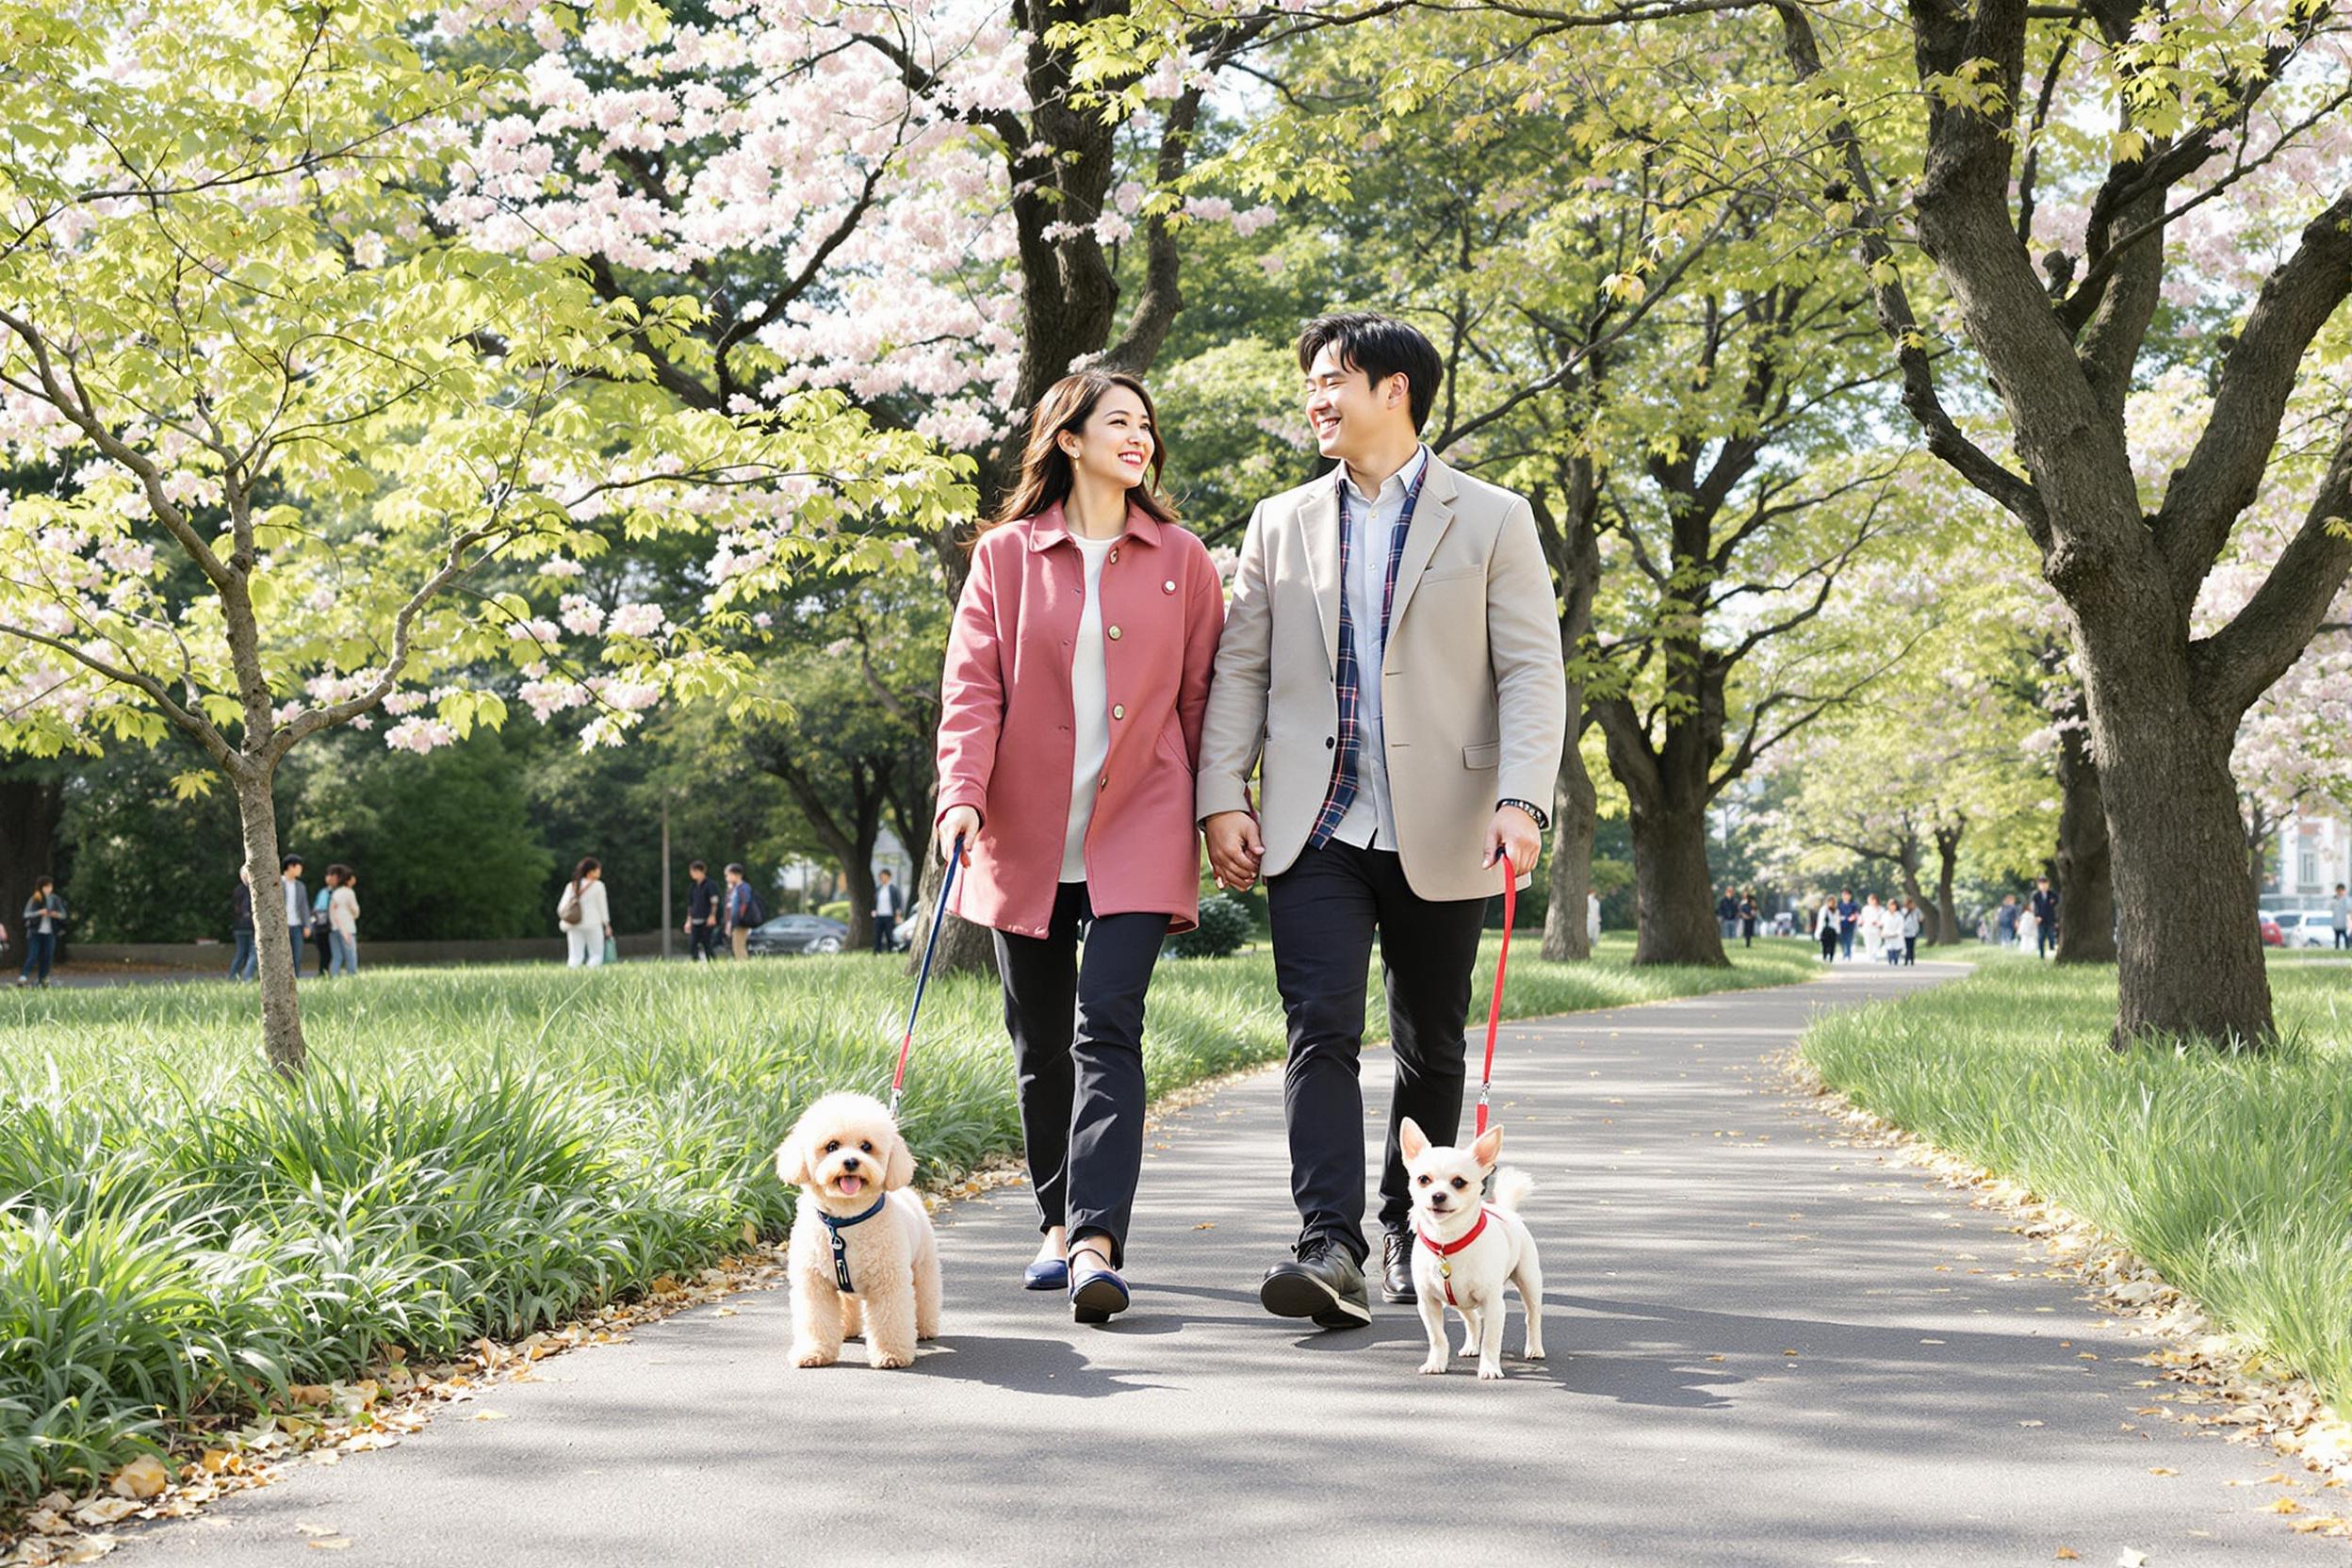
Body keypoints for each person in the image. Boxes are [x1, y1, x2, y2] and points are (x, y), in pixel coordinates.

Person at [1199, 311, 1568, 1329]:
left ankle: (1416, 1228)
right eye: (1311, 383)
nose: (1315, 400)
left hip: (1448, 821)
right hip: (1315, 825)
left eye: (1331, 381)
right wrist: (1222, 792)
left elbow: (1533, 667)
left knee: (1429, 1042)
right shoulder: (1280, 521)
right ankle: (1329, 1242)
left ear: (1393, 390)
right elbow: (1243, 668)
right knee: (1317, 1028)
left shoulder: (1494, 517)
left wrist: (1522, 797)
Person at [936, 367, 1224, 1323]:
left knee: (1110, 1022)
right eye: (1118, 422)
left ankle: (1098, 1239)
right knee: (1039, 1041)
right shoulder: (1007, 556)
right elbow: (974, 688)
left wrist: (1218, 805)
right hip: (1022, 833)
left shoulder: (1184, 557)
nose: (1139, 437)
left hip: (1141, 818)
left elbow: (1201, 701)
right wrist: (960, 797)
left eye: (1147, 425)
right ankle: (1055, 1219)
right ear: (1068, 438)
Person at [559, 857, 612, 967]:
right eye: (598, 869)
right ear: (591, 871)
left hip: (573, 924)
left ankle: (571, 978)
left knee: (575, 955)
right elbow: (602, 907)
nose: (599, 872)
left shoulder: (572, 885)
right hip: (593, 924)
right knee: (596, 954)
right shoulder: (598, 886)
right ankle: (591, 976)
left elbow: (561, 908)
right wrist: (606, 924)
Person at [16, 876, 65, 988]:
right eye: (46, 886)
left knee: (47, 956)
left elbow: (63, 914)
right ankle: (23, 977)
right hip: (35, 932)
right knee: (33, 955)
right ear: (41, 887)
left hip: (50, 932)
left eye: (50, 886)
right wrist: (39, 912)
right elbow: (26, 914)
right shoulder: (35, 898)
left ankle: (42, 980)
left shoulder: (55, 899)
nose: (48, 889)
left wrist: (54, 914)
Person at [720, 862, 761, 959]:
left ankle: (743, 964)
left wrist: (738, 919)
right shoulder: (735, 889)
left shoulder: (743, 887)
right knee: (736, 945)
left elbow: (744, 904)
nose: (727, 878)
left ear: (736, 875)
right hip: (737, 921)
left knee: (739, 945)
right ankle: (741, 963)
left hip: (741, 922)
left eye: (728, 875)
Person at [683, 860, 720, 962]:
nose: (691, 874)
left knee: (707, 943)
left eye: (693, 871)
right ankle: (695, 961)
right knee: (692, 943)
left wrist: (712, 916)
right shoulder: (693, 887)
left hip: (706, 919)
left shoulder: (710, 885)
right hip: (695, 919)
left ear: (700, 871)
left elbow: (714, 901)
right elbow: (690, 905)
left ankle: (712, 961)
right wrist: (688, 921)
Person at [327, 864, 361, 976]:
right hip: (347, 929)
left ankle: (333, 977)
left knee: (337, 957)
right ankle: (352, 977)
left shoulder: (335, 893)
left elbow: (332, 912)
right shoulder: (349, 892)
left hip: (334, 929)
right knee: (351, 957)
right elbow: (356, 912)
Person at [281, 855, 309, 972]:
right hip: (281, 926)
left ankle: (295, 981)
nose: (300, 870)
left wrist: (307, 925)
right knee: (281, 956)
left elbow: (304, 907)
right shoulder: (277, 883)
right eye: (298, 867)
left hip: (296, 926)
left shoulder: (300, 886)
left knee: (296, 956)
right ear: (290, 867)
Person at [228, 866, 257, 981]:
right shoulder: (251, 891)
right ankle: (247, 978)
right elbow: (247, 910)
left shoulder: (237, 890)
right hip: (249, 926)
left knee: (240, 954)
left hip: (238, 927)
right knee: (253, 954)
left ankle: (232, 976)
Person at [872, 869, 907, 955]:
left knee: (889, 935)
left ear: (889, 877)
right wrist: (874, 910)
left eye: (884, 876)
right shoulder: (879, 889)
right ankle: (877, 951)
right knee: (877, 934)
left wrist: (898, 914)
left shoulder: (893, 889)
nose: (882, 878)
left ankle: (891, 950)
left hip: (890, 915)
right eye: (881, 877)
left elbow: (898, 902)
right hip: (879, 915)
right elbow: (875, 901)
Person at [310, 869, 336, 978]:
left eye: (332, 876)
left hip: (332, 926)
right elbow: (316, 909)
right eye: (328, 875)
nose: (329, 878)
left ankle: (326, 973)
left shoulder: (338, 892)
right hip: (320, 926)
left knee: (330, 953)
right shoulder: (323, 892)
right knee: (324, 952)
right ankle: (322, 973)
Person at [2031, 875, 2060, 959]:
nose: (2043, 886)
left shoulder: (2053, 894)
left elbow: (2057, 905)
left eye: (2045, 884)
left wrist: (2056, 920)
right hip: (2040, 919)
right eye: (2041, 884)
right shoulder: (2036, 895)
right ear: (2038, 885)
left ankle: (2051, 950)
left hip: (2050, 919)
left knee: (2051, 936)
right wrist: (2036, 916)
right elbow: (2035, 907)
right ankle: (2042, 954)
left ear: (2048, 884)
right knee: (2041, 937)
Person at [1837, 888, 1859, 960]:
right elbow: (1837, 914)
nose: (1845, 896)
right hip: (1841, 925)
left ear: (1850, 896)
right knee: (1842, 940)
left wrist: (1852, 917)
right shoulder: (1839, 905)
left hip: (1850, 925)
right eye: (1844, 894)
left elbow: (1855, 914)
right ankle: (1844, 953)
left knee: (1849, 940)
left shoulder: (1853, 905)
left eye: (1847, 894)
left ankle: (1848, 954)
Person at [1815, 895, 1839, 962]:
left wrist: (1838, 930)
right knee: (1825, 944)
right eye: (1830, 901)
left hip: (1833, 929)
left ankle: (1831, 957)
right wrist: (1819, 931)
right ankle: (1825, 956)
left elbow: (1837, 921)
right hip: (1825, 930)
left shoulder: (1836, 910)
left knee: (1832, 945)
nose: (1831, 903)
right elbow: (1821, 920)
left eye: (1833, 902)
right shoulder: (1824, 909)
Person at [1902, 898, 1922, 966]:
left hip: (1914, 930)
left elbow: (1920, 919)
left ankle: (1911, 959)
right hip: (1905, 930)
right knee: (1907, 946)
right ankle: (1907, 959)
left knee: (1912, 946)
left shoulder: (1917, 910)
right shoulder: (1903, 910)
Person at [2332, 883, 2350, 950]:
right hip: (2336, 922)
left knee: (2344, 935)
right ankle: (2337, 947)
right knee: (2337, 936)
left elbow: (2349, 908)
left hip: (2343, 922)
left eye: (2341, 891)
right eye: (2338, 891)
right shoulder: (2334, 900)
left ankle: (2347, 947)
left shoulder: (2345, 899)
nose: (2339, 892)